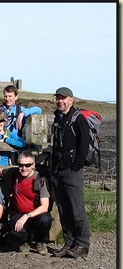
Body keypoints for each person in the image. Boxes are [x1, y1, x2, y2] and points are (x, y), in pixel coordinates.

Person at [0, 151, 53, 255]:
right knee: (14, 229)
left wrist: (27, 216)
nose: (24, 168)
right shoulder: (14, 174)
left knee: (45, 219)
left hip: (36, 212)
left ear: (33, 165)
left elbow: (44, 207)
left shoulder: (40, 179)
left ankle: (41, 241)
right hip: (18, 212)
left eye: (27, 165)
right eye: (21, 165)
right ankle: (24, 241)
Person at [50, 87, 90, 259]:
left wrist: (75, 167)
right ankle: (69, 243)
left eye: (63, 98)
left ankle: (82, 244)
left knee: (77, 209)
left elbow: (84, 146)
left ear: (71, 100)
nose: (60, 101)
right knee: (63, 209)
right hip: (58, 170)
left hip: (71, 171)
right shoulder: (57, 118)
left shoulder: (78, 118)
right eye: (58, 98)